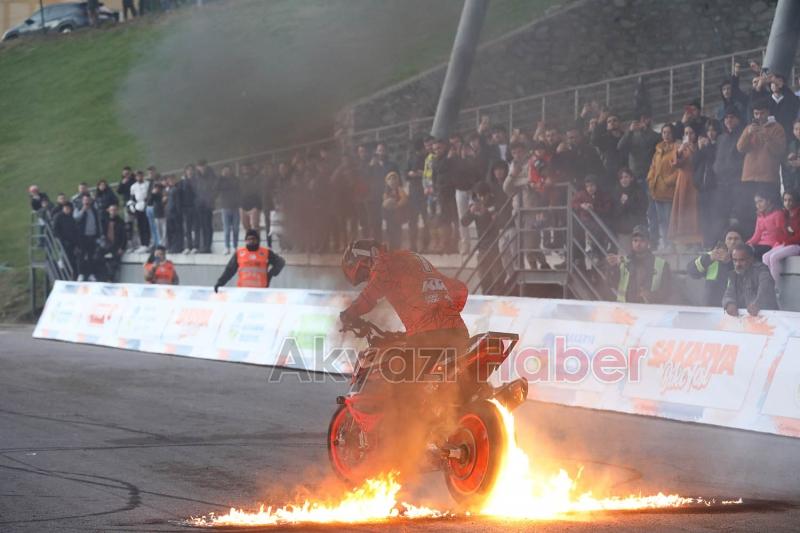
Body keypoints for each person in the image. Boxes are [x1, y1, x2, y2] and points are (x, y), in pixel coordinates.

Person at [339, 239, 470, 364]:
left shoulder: (386, 263)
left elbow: (371, 294)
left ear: (370, 256)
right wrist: (446, 316)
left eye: (363, 273)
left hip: (427, 339)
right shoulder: (411, 257)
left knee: (395, 376)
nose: (368, 278)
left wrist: (349, 314)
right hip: (458, 333)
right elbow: (459, 289)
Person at [735, 98, 786, 235]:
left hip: (768, 178)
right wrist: (748, 133)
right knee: (748, 210)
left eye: (762, 113)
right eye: (756, 113)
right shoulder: (749, 128)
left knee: (768, 211)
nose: (759, 116)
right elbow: (740, 148)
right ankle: (750, 237)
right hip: (749, 177)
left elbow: (779, 150)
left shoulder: (777, 128)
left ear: (768, 112)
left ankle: (770, 237)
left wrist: (765, 135)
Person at [606, 225, 672, 304]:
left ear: (648, 242)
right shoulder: (623, 261)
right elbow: (611, 283)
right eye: (635, 240)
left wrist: (652, 295)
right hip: (626, 309)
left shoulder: (662, 265)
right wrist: (612, 267)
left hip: (649, 310)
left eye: (642, 241)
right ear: (631, 242)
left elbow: (668, 291)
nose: (638, 244)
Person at [686, 228, 744, 307]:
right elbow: (691, 271)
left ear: (742, 242)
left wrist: (729, 262)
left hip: (736, 307)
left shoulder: (747, 258)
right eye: (729, 239)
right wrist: (709, 258)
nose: (733, 241)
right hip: (712, 307)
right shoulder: (713, 255)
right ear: (725, 241)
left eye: (736, 239)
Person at [214, 229, 285, 291]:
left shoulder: (266, 253)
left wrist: (271, 274)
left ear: (258, 240)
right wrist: (220, 283)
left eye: (253, 239)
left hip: (261, 290)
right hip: (243, 291)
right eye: (249, 239)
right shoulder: (239, 253)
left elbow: (281, 262)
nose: (251, 241)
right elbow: (229, 270)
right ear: (246, 240)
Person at [668, 124, 703, 248]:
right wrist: (680, 151)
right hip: (684, 182)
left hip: (696, 181)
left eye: (691, 133)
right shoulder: (681, 148)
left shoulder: (699, 145)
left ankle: (696, 239)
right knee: (683, 209)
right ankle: (683, 240)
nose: (688, 136)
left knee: (695, 211)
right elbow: (674, 164)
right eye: (686, 133)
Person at [646, 124, 679, 251]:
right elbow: (653, 167)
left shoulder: (677, 148)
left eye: (668, 132)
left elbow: (679, 169)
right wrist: (650, 180)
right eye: (664, 132)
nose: (666, 135)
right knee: (661, 220)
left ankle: (672, 244)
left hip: (669, 191)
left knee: (670, 220)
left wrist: (668, 181)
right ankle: (665, 243)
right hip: (657, 191)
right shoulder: (658, 149)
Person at [723, 244, 778, 316]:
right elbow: (728, 293)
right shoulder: (734, 275)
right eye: (735, 260)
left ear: (751, 259)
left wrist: (758, 303)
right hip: (745, 319)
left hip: (768, 317)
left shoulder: (761, 270)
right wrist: (729, 303)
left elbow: (766, 288)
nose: (737, 264)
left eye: (742, 260)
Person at [761, 191, 800, 282]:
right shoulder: (784, 214)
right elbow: (780, 233)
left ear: (796, 201)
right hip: (785, 244)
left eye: (790, 200)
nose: (787, 203)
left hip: (796, 245)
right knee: (765, 257)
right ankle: (768, 284)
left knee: (773, 257)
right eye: (785, 200)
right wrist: (782, 240)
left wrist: (787, 240)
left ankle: (776, 285)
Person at [610, 168, 647, 254]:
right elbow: (614, 212)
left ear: (631, 178)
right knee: (625, 256)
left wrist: (628, 202)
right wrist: (622, 203)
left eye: (626, 177)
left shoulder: (638, 191)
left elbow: (642, 208)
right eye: (621, 178)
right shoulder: (616, 192)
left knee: (639, 255)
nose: (624, 180)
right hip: (623, 231)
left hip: (637, 229)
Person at [746, 192, 786, 260]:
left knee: (752, 252)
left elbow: (782, 233)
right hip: (760, 245)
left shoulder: (778, 214)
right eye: (756, 203)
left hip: (772, 245)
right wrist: (745, 245)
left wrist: (777, 246)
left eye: (760, 201)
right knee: (743, 250)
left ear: (768, 201)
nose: (758, 205)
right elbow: (756, 236)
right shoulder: (760, 216)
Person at [73, 194, 100, 281]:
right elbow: (76, 218)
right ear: (82, 201)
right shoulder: (78, 208)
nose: (87, 202)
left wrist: (98, 234)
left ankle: (91, 274)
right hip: (82, 236)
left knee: (91, 256)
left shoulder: (94, 210)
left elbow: (97, 222)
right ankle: (80, 274)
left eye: (88, 200)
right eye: (85, 200)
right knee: (81, 255)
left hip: (92, 236)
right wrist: (83, 210)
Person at [216, 164, 241, 254]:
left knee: (236, 228)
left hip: (235, 207)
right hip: (225, 207)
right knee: (226, 229)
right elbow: (216, 188)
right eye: (224, 170)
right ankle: (227, 247)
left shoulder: (235, 179)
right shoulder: (220, 180)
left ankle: (235, 246)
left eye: (228, 170)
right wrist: (221, 177)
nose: (226, 172)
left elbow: (238, 189)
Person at [99, 204, 127, 282]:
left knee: (114, 262)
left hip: (116, 245)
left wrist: (122, 248)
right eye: (111, 210)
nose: (113, 212)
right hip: (106, 244)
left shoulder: (120, 221)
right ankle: (101, 277)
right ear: (108, 211)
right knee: (98, 257)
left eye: (115, 210)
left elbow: (124, 236)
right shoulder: (104, 221)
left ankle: (111, 279)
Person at [382, 171, 408, 250]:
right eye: (390, 179)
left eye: (394, 179)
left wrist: (396, 205)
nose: (392, 181)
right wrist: (388, 203)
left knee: (397, 233)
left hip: (397, 215)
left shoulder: (399, 189)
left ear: (397, 180)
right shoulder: (386, 191)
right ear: (387, 181)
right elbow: (384, 203)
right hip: (389, 216)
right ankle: (391, 249)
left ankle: (397, 249)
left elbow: (404, 199)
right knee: (390, 233)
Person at [52, 202, 79, 277]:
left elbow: (74, 230)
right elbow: (55, 230)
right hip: (63, 241)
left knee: (72, 258)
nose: (67, 210)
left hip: (72, 242)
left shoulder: (71, 217)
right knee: (66, 257)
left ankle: (73, 274)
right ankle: (65, 273)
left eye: (69, 208)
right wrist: (61, 239)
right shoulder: (58, 217)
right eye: (66, 208)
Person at [130, 170, 151, 252]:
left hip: (146, 205)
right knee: (140, 225)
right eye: (137, 176)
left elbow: (149, 195)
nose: (139, 177)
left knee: (147, 225)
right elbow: (132, 198)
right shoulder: (133, 186)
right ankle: (143, 243)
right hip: (138, 206)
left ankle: (148, 242)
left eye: (141, 176)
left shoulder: (147, 184)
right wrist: (132, 206)